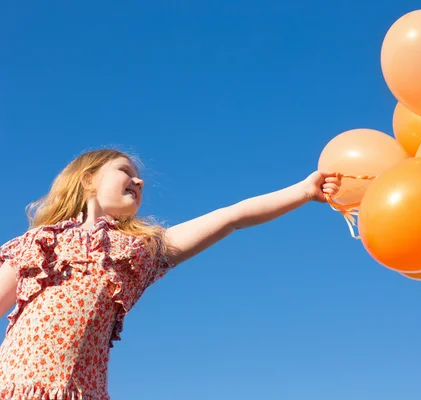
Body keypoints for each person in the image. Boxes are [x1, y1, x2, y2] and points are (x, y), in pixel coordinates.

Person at [0, 149, 342, 399]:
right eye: (124, 170)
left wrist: (302, 191)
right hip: (13, 385)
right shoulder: (41, 242)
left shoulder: (141, 252)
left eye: (138, 176)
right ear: (88, 179)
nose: (139, 179)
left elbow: (231, 217)